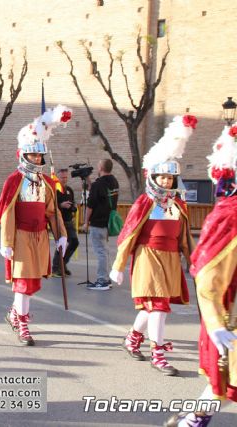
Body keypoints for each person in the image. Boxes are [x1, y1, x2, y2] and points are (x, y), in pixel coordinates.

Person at [109, 115, 197, 376]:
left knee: (154, 305)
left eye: (170, 179)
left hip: (170, 259)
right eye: (163, 178)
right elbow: (128, 234)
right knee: (158, 306)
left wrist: (195, 263)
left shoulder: (178, 205)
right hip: (148, 256)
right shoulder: (144, 202)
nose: (167, 183)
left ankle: (133, 338)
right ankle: (157, 353)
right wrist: (119, 265)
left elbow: (185, 239)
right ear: (154, 177)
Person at [165, 124, 237, 427]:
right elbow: (207, 273)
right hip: (230, 313)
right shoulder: (230, 214)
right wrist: (216, 323)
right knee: (223, 381)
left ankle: (193, 421)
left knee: (223, 384)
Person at [0, 105, 69, 346]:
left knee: (30, 283)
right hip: (20, 236)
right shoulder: (14, 180)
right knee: (23, 281)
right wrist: (6, 242)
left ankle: (15, 315)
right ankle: (23, 324)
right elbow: (7, 212)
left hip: (39, 237)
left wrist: (61, 235)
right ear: (24, 155)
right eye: (33, 155)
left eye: (40, 156)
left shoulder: (47, 183)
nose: (37, 159)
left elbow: (53, 211)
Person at [82, 158, 119, 290]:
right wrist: (89, 181)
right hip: (107, 222)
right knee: (105, 251)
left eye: (98, 166)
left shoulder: (99, 184)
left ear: (101, 168)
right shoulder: (114, 182)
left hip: (97, 222)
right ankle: (106, 278)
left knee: (101, 252)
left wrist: (86, 222)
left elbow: (90, 205)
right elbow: (100, 194)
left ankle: (102, 280)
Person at [51, 168, 79, 277]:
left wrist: (73, 207)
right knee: (61, 244)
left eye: (66, 177)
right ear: (58, 178)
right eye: (62, 177)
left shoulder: (69, 190)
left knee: (74, 242)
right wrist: (61, 205)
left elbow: (72, 203)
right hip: (59, 221)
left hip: (68, 220)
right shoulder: (55, 190)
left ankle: (63, 264)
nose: (64, 179)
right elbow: (51, 205)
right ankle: (55, 268)